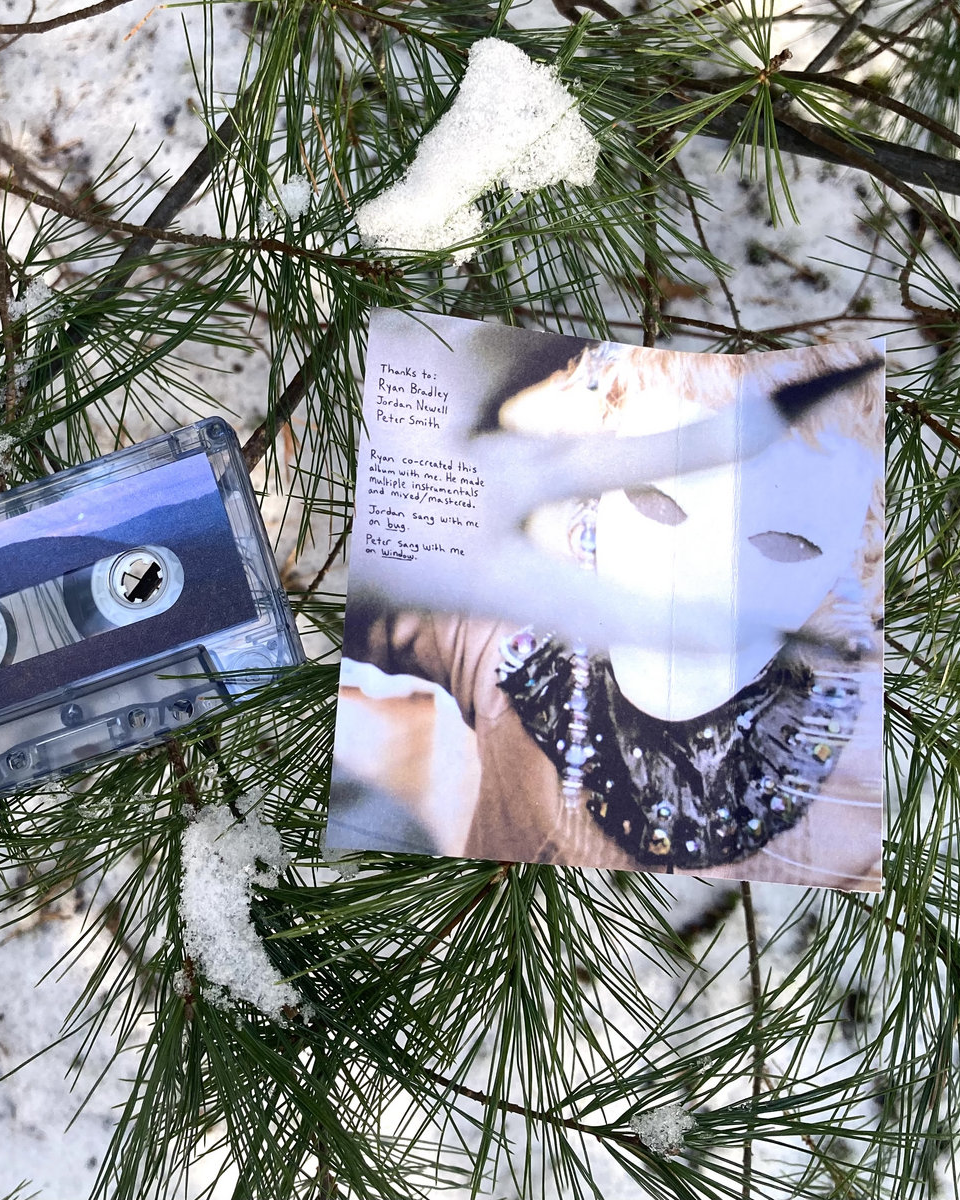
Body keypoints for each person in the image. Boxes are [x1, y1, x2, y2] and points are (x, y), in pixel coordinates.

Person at [337, 337, 884, 888]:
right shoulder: (504, 635)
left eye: (785, 543)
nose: (693, 582)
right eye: (655, 503)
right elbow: (321, 603)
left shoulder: (867, 796)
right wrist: (391, 519)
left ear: (855, 559)